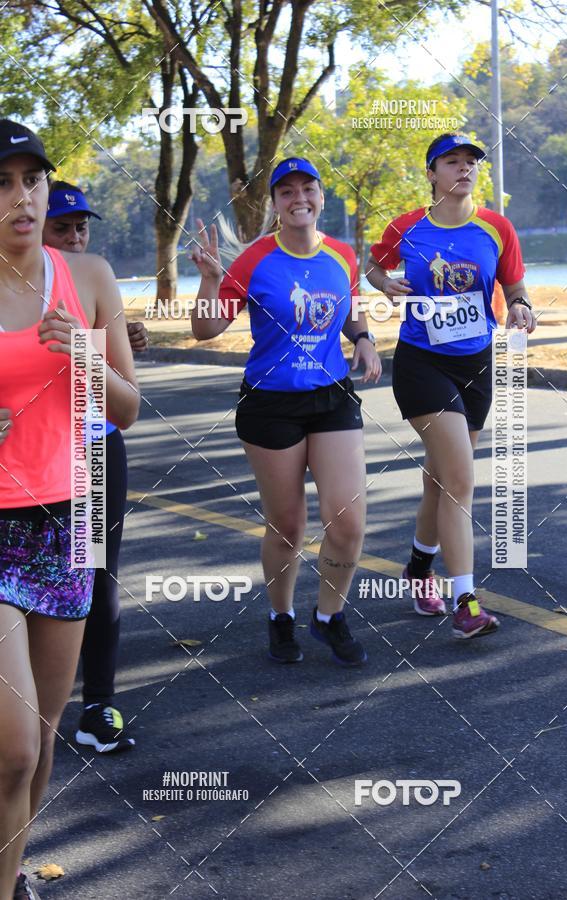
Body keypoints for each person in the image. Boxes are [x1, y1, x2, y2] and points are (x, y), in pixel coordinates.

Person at [0, 119, 139, 900]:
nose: (22, 198)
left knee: (43, 748)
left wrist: (83, 355)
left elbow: (128, 409)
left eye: (32, 181)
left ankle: (12, 872)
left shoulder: (87, 276)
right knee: (13, 748)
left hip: (70, 518)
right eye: (3, 184)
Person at [191, 157, 381, 665]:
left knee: (348, 521)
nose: (300, 198)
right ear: (275, 204)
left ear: (321, 197)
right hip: (270, 403)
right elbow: (205, 330)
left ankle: (328, 616)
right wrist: (211, 280)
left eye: (309, 188)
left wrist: (362, 338)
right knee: (288, 524)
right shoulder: (253, 260)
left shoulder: (342, 254)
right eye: (287, 191)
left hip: (331, 395)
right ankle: (281, 616)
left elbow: (350, 305)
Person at [366, 132, 536, 638]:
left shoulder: (496, 228)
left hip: (476, 363)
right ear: (432, 173)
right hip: (422, 364)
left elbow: (514, 283)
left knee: (439, 480)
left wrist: (522, 305)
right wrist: (384, 282)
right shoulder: (407, 226)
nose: (464, 169)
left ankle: (419, 567)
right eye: (452, 161)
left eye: (471, 162)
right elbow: (372, 263)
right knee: (460, 480)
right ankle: (466, 601)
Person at [43, 182, 148, 754]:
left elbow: (127, 396)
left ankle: (98, 704)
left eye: (82, 226)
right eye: (64, 227)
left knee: (95, 572)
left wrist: (110, 345)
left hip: (93, 449)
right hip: (25, 460)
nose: (76, 236)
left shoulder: (93, 277)